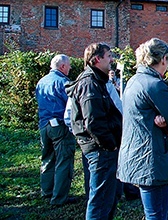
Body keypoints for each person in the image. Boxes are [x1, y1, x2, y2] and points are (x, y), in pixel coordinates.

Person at [118, 38, 168, 220]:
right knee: (156, 214)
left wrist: (161, 122)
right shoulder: (155, 85)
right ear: (163, 59)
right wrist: (167, 123)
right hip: (149, 159)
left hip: (135, 153)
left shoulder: (134, 80)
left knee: (167, 205)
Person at [66, 43, 122, 220]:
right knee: (100, 200)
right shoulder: (90, 83)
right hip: (101, 151)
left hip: (102, 149)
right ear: (97, 59)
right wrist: (110, 145)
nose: (111, 60)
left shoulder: (97, 81)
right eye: (108, 56)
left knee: (108, 197)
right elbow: (93, 122)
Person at [35, 54, 76, 206]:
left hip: (44, 124)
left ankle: (47, 191)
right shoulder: (64, 82)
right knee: (64, 160)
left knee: (47, 157)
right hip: (59, 125)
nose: (70, 68)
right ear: (62, 66)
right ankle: (59, 198)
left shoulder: (41, 82)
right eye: (69, 65)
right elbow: (72, 105)